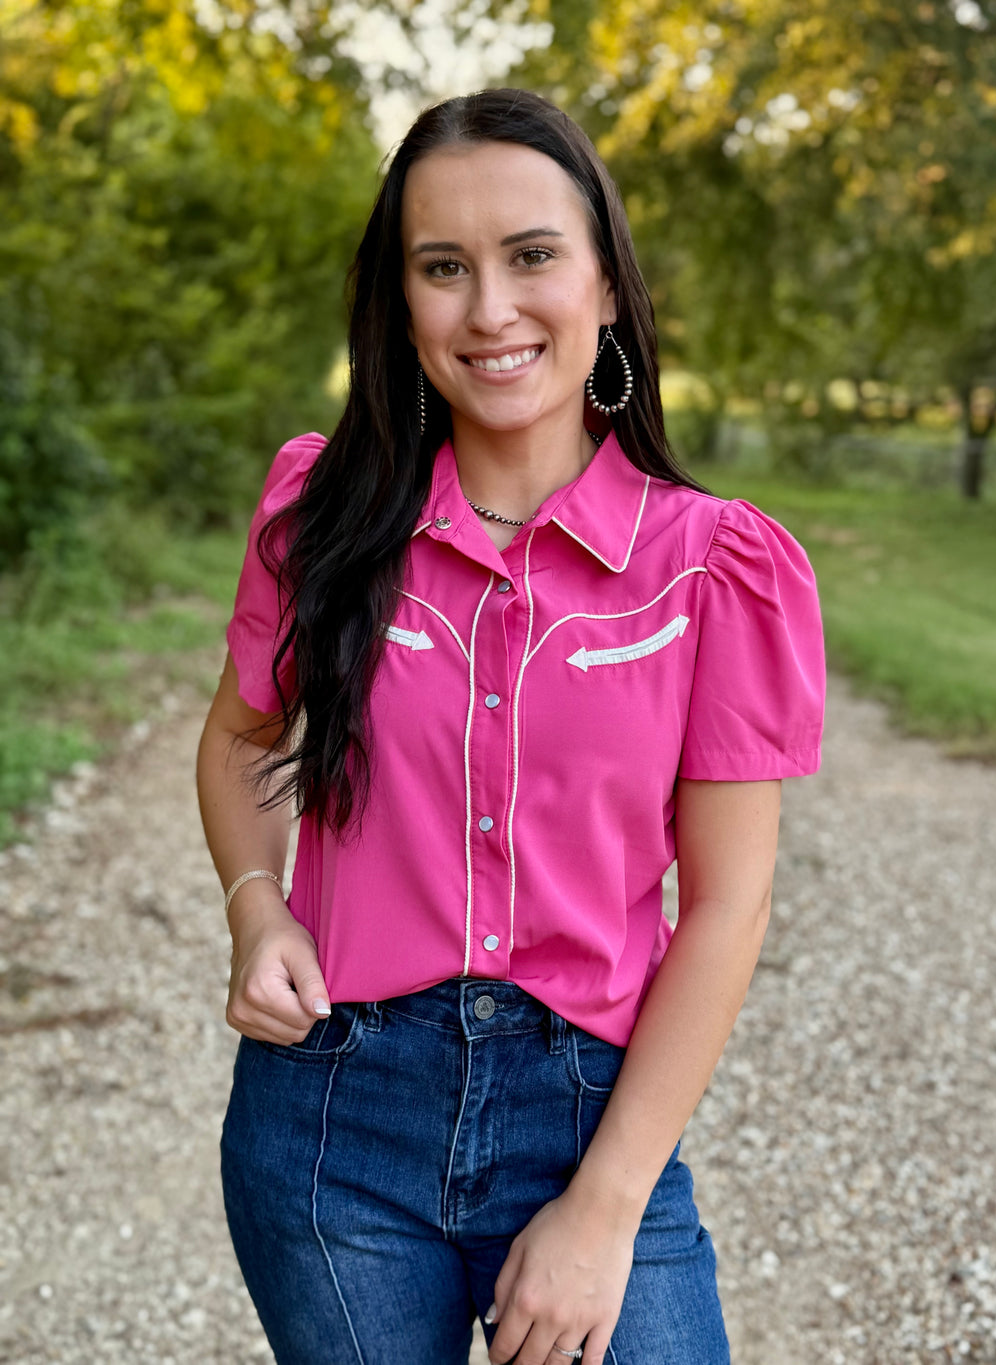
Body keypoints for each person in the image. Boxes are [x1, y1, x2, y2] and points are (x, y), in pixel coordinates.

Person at [196, 87, 825, 1365]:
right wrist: (259, 905)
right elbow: (244, 741)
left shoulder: (715, 568)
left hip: (588, 1119)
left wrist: (600, 1211)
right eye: (444, 267)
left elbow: (725, 907)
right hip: (329, 1124)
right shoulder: (322, 510)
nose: (489, 310)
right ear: (400, 300)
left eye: (531, 256)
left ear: (604, 284)